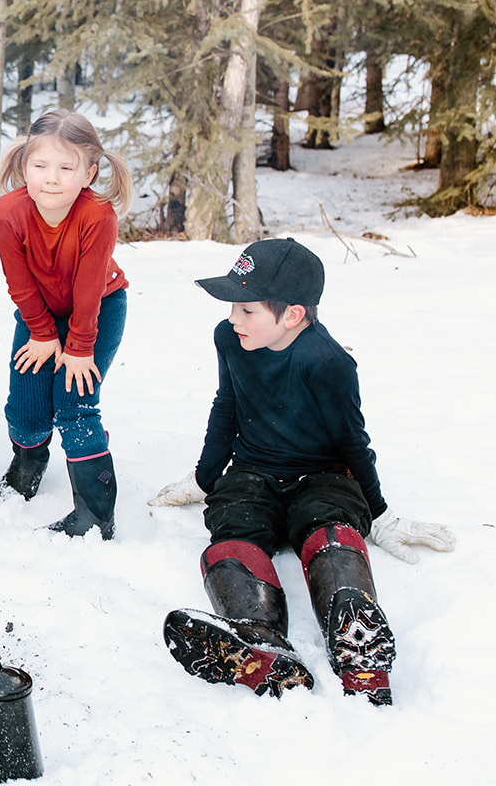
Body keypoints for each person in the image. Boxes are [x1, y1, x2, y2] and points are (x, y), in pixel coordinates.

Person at [155, 238, 456, 705]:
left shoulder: (328, 362)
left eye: (247, 308)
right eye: (232, 305)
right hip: (252, 469)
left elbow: (353, 440)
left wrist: (380, 513)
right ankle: (259, 642)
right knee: (234, 527)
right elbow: (227, 405)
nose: (233, 317)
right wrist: (204, 477)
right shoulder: (230, 338)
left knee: (328, 524)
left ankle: (357, 640)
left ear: (292, 315)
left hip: (323, 474)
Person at [0, 110, 131, 540]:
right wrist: (44, 333)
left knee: (74, 400)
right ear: (23, 166)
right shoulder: (7, 214)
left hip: (99, 310)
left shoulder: (97, 215)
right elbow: (20, 282)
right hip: (39, 313)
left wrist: (80, 346)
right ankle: (29, 460)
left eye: (66, 168)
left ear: (88, 173)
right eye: (40, 165)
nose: (51, 178)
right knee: (28, 398)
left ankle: (95, 513)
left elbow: (88, 289)